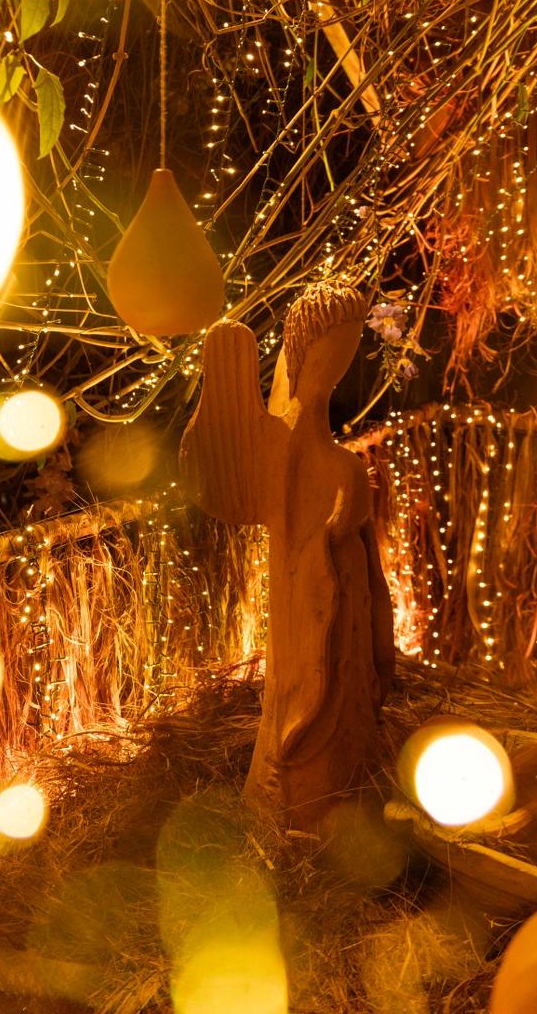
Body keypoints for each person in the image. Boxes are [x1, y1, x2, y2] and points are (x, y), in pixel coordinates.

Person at [180, 281, 395, 829]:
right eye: (330, 349)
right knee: (305, 703)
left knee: (346, 693)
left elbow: (353, 530)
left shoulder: (332, 456)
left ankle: (343, 794)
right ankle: (299, 805)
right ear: (303, 354)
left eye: (349, 347)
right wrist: (340, 507)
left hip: (344, 597)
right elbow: (321, 519)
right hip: (307, 600)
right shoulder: (294, 445)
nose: (339, 363)